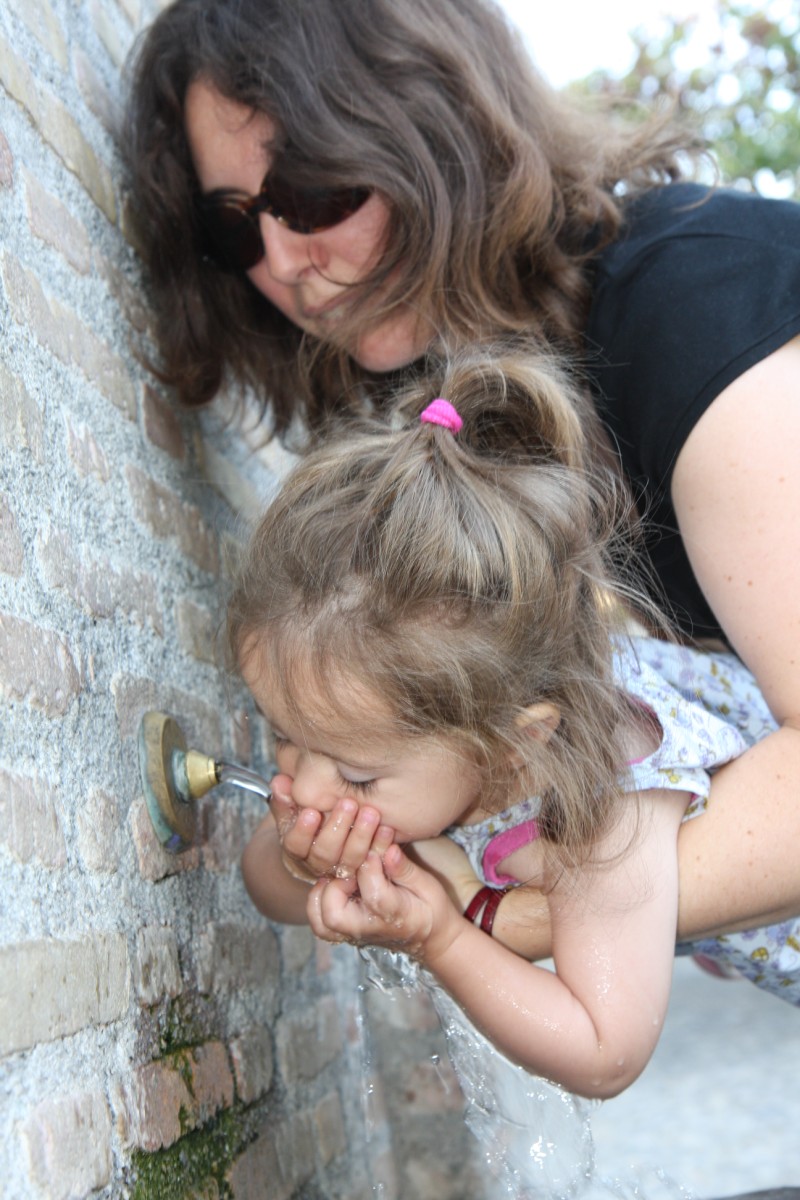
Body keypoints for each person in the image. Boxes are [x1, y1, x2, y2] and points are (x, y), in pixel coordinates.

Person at [124, 0, 800, 951]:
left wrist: (490, 923)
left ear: (433, 132)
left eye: (310, 194)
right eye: (234, 228)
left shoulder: (692, 304)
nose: (281, 262)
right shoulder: (435, 416)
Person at [228, 352, 799, 1114]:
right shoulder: (434, 737)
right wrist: (303, 862)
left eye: (356, 776)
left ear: (514, 744)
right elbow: (263, 884)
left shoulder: (602, 799)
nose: (304, 785)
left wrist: (443, 939)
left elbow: (604, 1050)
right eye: (284, 736)